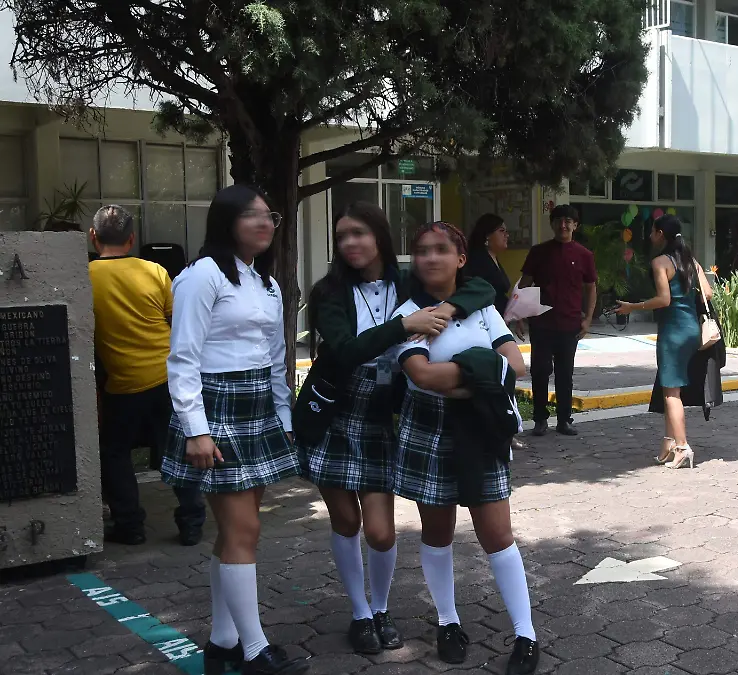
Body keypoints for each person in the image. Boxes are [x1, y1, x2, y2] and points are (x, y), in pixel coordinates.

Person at [295, 202, 495, 655]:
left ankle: (381, 607)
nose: (350, 243)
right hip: (336, 414)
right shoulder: (329, 291)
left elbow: (482, 286)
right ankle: (361, 614)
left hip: (382, 416)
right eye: (342, 236)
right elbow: (345, 351)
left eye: (359, 233)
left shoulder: (407, 283)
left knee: (381, 532)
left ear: (380, 237)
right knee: (347, 521)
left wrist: (449, 307)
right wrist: (405, 325)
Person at [162, 185, 308, 675]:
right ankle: (254, 650)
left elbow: (275, 358)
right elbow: (182, 358)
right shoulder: (201, 276)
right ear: (227, 221)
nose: (265, 224)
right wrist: (196, 429)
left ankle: (223, 641)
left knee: (235, 533)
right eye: (252, 216)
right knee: (243, 530)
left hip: (257, 408)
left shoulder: (265, 283)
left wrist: (283, 418)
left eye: (270, 216)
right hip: (216, 410)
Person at [391, 221, 539, 675]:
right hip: (428, 427)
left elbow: (515, 364)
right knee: (437, 532)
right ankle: (448, 622)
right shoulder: (409, 314)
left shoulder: (482, 307)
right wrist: (482, 371)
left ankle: (526, 635)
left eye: (441, 249)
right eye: (422, 250)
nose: (430, 257)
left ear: (460, 259)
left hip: (480, 426)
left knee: (498, 535)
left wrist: (462, 377)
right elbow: (421, 376)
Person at [88, 205, 206, 546]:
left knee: (115, 452)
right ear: (132, 239)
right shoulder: (155, 271)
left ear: (93, 237)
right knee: (180, 449)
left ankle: (129, 526)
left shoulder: (84, 278)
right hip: (168, 376)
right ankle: (192, 523)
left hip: (122, 383)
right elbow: (175, 320)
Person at [616, 215, 712, 469]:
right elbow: (708, 293)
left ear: (660, 234)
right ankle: (668, 444)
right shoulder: (691, 261)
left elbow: (663, 300)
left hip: (672, 332)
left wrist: (633, 307)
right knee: (671, 386)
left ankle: (682, 447)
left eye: (652, 232)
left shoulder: (660, 263)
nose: (650, 237)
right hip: (692, 330)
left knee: (671, 392)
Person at [517, 205, 597, 436]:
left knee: (565, 374)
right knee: (540, 372)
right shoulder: (538, 252)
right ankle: (540, 419)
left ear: (575, 225)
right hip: (541, 323)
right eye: (558, 221)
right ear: (552, 224)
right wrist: (518, 315)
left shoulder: (584, 255)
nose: (563, 225)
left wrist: (588, 318)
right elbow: (524, 284)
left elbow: (591, 288)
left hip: (570, 324)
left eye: (568, 221)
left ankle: (564, 420)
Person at [464, 213, 512, 317]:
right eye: (501, 231)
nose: (506, 235)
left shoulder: (493, 258)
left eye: (506, 231)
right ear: (487, 235)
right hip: (484, 318)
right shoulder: (477, 260)